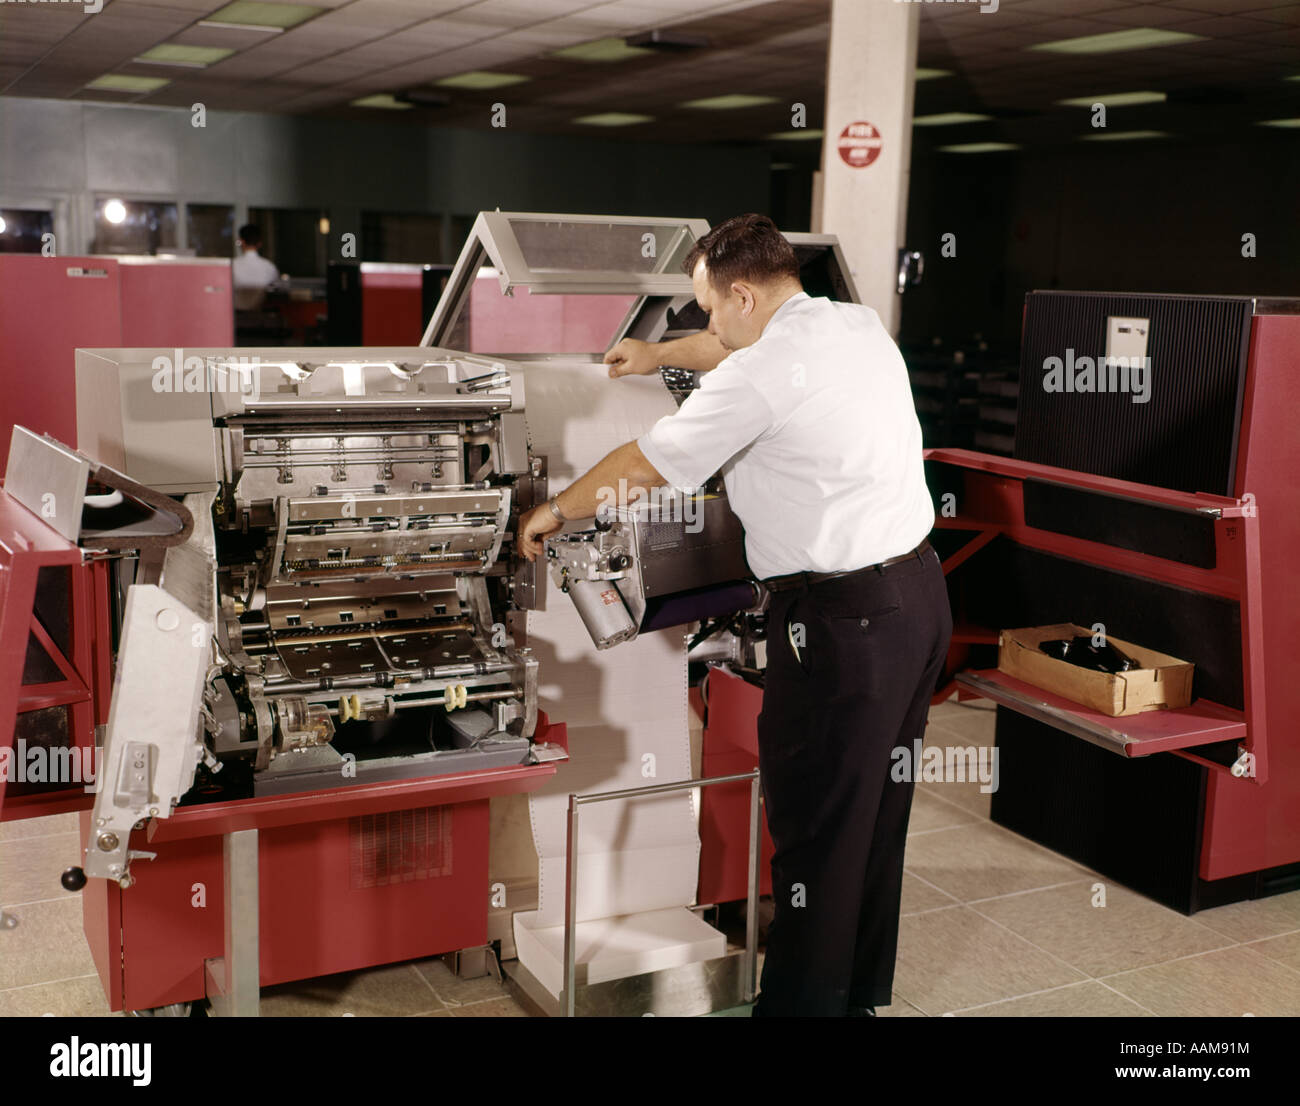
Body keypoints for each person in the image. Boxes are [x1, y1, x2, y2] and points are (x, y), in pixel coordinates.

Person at [517, 213, 952, 1017]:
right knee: (871, 820)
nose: (706, 324)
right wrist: (653, 355)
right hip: (917, 600)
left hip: (841, 622)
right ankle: (852, 999)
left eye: (708, 307)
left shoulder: (758, 374)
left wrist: (556, 512)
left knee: (815, 833)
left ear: (744, 294)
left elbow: (645, 463)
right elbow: (734, 350)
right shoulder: (846, 323)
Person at [232, 224, 280, 311]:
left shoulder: (232, 266)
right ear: (259, 244)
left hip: (235, 318)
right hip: (262, 317)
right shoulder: (269, 267)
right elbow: (276, 290)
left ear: (241, 242)